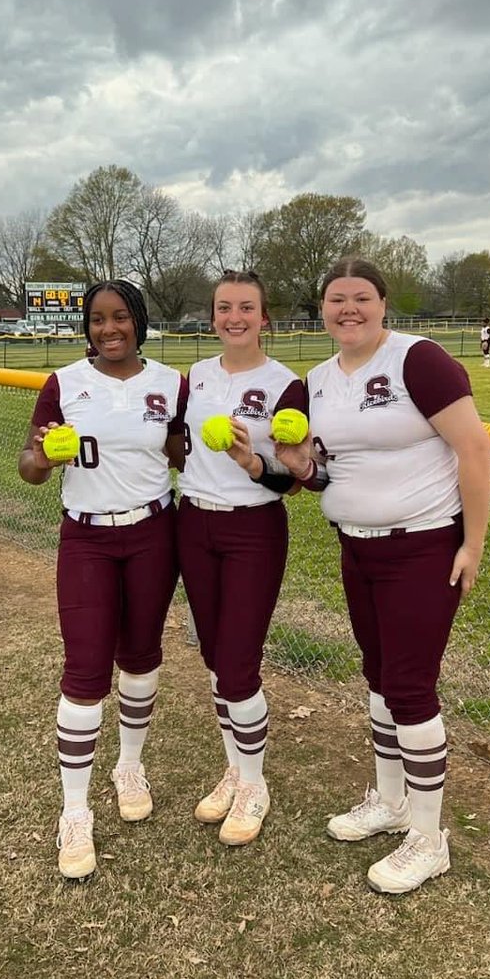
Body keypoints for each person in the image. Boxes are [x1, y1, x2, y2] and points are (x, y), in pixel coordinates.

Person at [274, 258, 490, 894]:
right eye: (337, 299)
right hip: (358, 548)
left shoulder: (417, 360)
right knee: (378, 678)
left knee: (409, 685)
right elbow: (324, 471)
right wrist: (297, 466)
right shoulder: (317, 380)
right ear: (322, 309)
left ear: (382, 303)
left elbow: (474, 449)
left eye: (361, 298)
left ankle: (430, 838)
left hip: (423, 545)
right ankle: (393, 802)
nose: (349, 308)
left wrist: (471, 545)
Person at [18, 280, 187, 881]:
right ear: (86, 327)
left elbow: (181, 454)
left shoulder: (170, 384)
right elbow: (30, 469)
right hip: (86, 537)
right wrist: (40, 458)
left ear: (139, 321)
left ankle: (129, 766)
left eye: (120, 318)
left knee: (141, 656)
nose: (108, 329)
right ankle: (74, 812)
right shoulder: (65, 384)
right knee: (85, 672)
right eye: (96, 320)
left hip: (151, 534)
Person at [177, 270, 307, 847]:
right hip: (193, 521)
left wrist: (252, 461)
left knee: (238, 661)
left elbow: (292, 479)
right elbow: (167, 440)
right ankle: (235, 767)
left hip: (252, 526)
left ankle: (254, 783)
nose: (235, 317)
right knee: (212, 656)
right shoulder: (196, 376)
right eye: (224, 307)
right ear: (213, 317)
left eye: (246, 307)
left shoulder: (287, 384)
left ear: (265, 317)